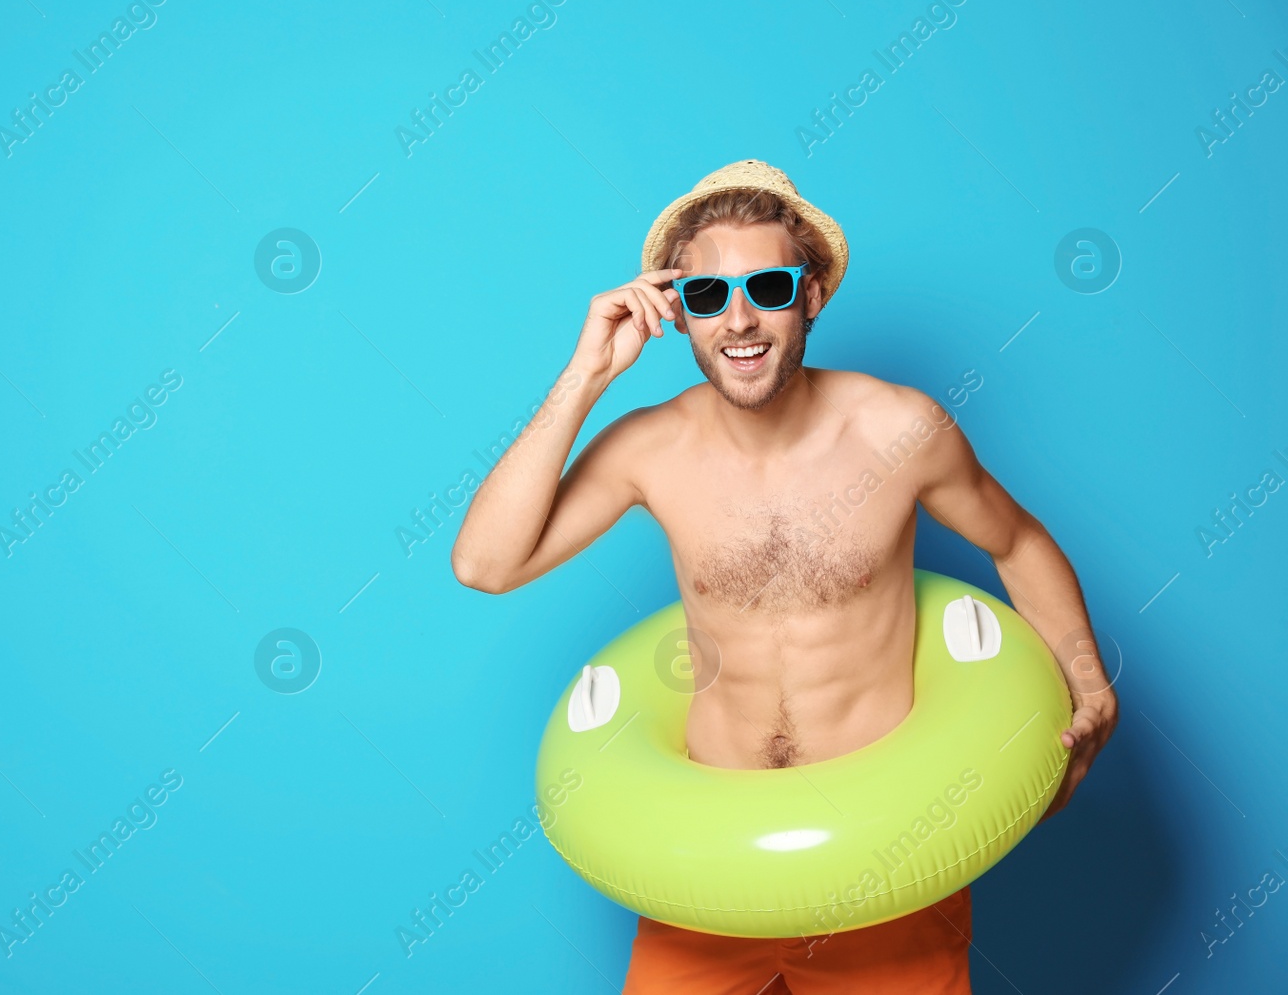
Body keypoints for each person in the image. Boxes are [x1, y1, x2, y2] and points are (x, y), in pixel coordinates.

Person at [449, 159, 1119, 993]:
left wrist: (1088, 680)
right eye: (705, 296)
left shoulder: (900, 428)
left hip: (888, 858)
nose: (739, 320)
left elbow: (1017, 540)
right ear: (679, 314)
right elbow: (484, 563)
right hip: (706, 866)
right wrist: (588, 374)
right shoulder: (649, 450)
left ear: (810, 295)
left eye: (766, 286)